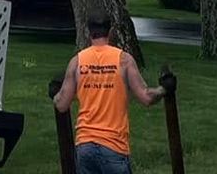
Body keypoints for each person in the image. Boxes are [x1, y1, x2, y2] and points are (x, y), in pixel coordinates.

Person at [51, 16, 172, 174]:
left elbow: (61, 104)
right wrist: (164, 89)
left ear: (89, 32)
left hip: (85, 146)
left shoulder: (77, 61)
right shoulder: (123, 60)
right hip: (114, 146)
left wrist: (54, 94)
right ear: (111, 31)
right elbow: (146, 97)